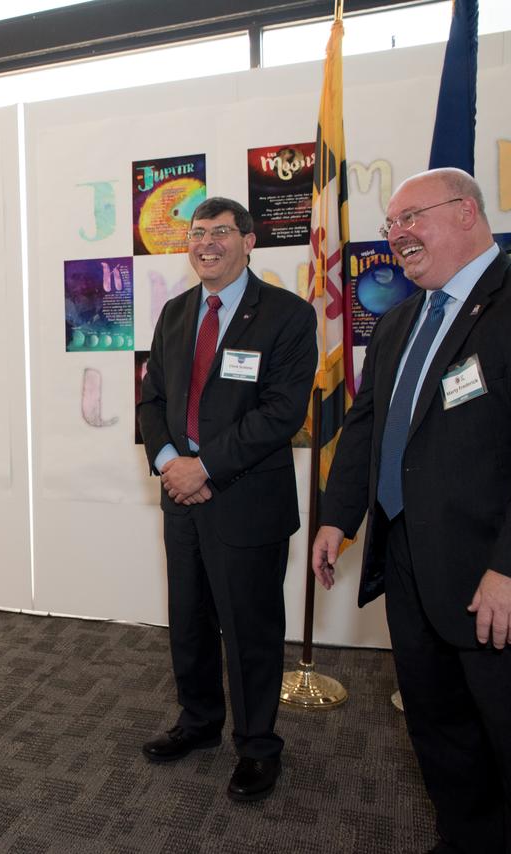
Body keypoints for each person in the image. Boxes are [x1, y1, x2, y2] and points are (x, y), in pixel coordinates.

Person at [312, 167, 511, 853]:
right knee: (442, 737)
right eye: (392, 224)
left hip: (505, 585)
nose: (399, 233)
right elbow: (368, 424)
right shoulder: (402, 320)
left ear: (467, 212)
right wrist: (337, 516)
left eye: (415, 216)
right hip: (412, 570)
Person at [137, 196, 316, 802]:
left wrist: (205, 466)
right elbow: (152, 402)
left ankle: (260, 747)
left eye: (220, 232)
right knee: (188, 620)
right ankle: (198, 722)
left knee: (250, 630)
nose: (206, 243)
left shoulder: (288, 316)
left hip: (245, 500)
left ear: (248, 241)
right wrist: (170, 464)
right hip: (181, 497)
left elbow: (281, 413)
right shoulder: (175, 313)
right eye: (197, 233)